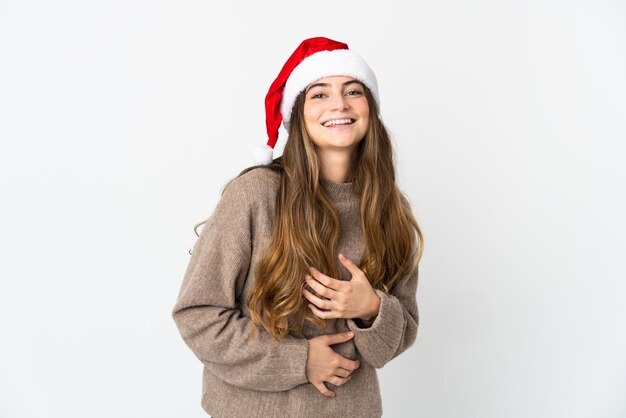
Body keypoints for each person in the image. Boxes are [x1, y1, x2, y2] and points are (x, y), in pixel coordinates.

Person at [172, 36, 424, 418]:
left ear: (370, 108)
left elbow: (392, 343)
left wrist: (370, 308)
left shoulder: (390, 209)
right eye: (319, 94)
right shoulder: (256, 194)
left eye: (353, 91)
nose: (339, 103)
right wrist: (299, 360)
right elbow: (198, 315)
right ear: (298, 114)